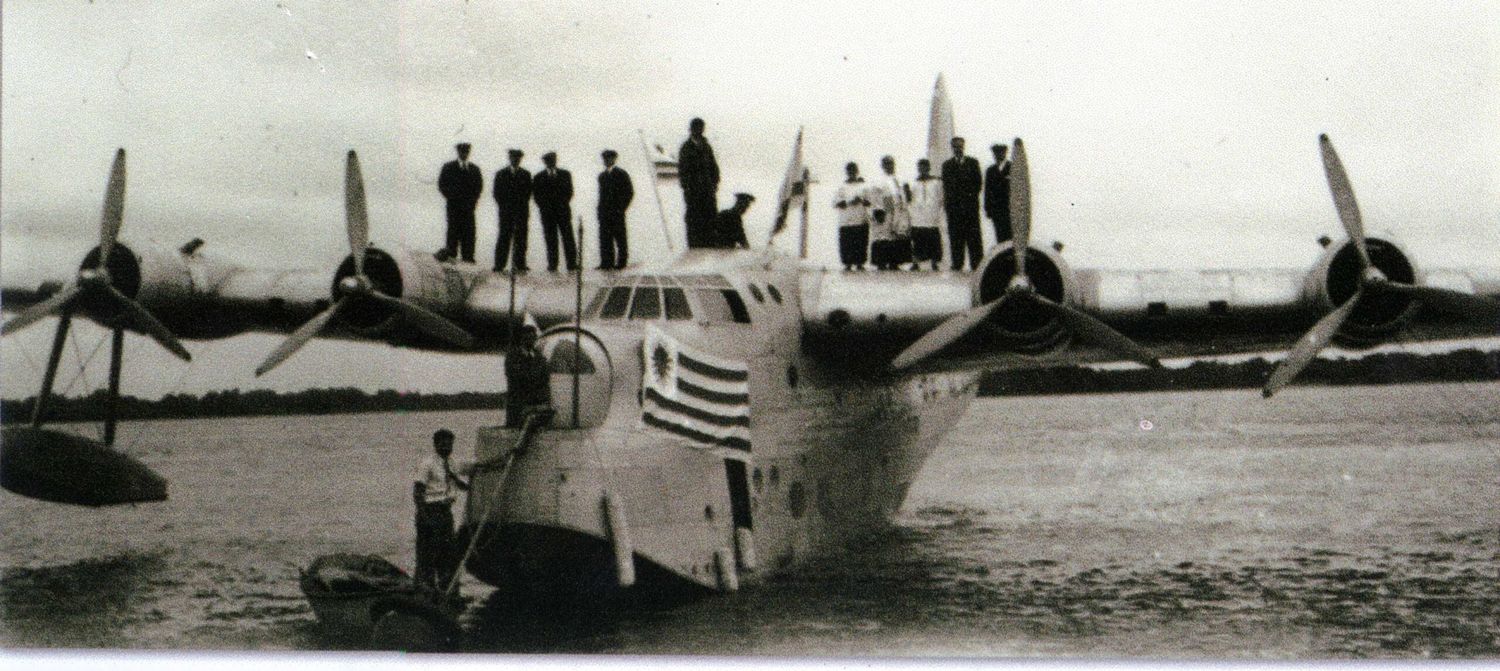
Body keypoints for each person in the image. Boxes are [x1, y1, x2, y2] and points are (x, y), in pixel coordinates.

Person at [413, 428, 469, 595]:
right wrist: (424, 517)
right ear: (435, 445)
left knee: (449, 550)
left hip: (445, 511)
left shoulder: (451, 462)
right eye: (443, 445)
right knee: (427, 551)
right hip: (429, 510)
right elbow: (417, 492)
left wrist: (471, 487)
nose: (447, 448)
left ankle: (447, 588)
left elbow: (457, 479)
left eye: (450, 445)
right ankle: (425, 587)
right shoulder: (427, 464)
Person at [941, 137, 983, 271]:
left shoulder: (973, 163)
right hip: (954, 209)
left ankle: (976, 264)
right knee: (956, 237)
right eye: (955, 147)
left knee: (974, 237)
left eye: (960, 146)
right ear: (952, 148)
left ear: (963, 147)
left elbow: (978, 184)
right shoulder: (947, 165)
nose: (958, 149)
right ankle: (957, 263)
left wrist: (969, 199)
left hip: (970, 207)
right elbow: (947, 187)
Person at [678, 117, 721, 248]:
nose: (699, 130)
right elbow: (683, 170)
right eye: (696, 128)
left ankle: (710, 245)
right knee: (694, 218)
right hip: (693, 191)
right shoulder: (686, 148)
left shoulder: (706, 146)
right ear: (691, 129)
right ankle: (694, 247)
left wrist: (714, 184)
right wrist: (687, 188)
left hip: (708, 190)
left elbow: (714, 167)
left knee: (710, 218)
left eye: (701, 128)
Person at [532, 152, 578, 272]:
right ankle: (552, 264)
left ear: (555, 160)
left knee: (568, 237)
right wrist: (545, 207)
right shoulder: (538, 177)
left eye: (552, 160)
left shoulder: (565, 174)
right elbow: (537, 196)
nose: (551, 162)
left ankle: (572, 264)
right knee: (550, 239)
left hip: (563, 212)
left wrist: (561, 204)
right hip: (547, 214)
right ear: (545, 162)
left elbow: (569, 192)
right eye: (548, 161)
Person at [438, 143, 483, 264]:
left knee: (469, 234)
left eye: (466, 152)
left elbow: (479, 188)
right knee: (453, 233)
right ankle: (450, 259)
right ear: (458, 152)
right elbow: (442, 185)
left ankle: (468, 260)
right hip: (454, 208)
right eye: (462, 152)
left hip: (468, 209)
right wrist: (453, 198)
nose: (464, 154)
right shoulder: (448, 167)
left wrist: (472, 202)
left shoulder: (474, 170)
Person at [869, 155, 913, 270]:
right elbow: (875, 196)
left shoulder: (899, 179)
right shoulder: (878, 181)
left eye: (891, 163)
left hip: (898, 211)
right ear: (883, 166)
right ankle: (881, 262)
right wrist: (878, 210)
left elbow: (905, 196)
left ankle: (895, 262)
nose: (890, 166)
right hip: (885, 210)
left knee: (897, 236)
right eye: (887, 164)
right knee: (883, 236)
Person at [492, 149, 532, 273]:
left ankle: (520, 264)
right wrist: (505, 206)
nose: (515, 160)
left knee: (521, 238)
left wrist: (520, 206)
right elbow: (497, 193)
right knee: (504, 237)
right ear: (510, 158)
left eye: (518, 158)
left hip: (521, 212)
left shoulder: (526, 174)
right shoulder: (501, 174)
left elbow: (528, 193)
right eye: (513, 158)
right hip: (506, 212)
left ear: (520, 159)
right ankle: (499, 264)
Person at [504, 325, 551, 428]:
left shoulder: (540, 358)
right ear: (522, 339)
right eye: (527, 338)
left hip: (536, 405)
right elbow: (516, 379)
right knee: (516, 429)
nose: (530, 341)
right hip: (518, 406)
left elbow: (545, 380)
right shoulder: (513, 357)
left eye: (532, 338)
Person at [596, 149, 634, 270]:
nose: (606, 161)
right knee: (605, 238)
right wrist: (599, 210)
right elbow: (601, 195)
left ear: (614, 159)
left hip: (617, 213)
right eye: (605, 159)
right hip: (604, 213)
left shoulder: (621, 174)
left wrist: (621, 208)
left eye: (609, 159)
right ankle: (606, 262)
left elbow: (629, 192)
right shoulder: (602, 176)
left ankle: (621, 262)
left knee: (620, 238)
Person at [833, 162, 870, 271]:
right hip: (846, 221)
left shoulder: (863, 186)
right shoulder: (841, 187)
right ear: (847, 172)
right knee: (846, 243)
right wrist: (850, 202)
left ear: (857, 172)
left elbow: (869, 202)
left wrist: (862, 201)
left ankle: (860, 263)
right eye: (850, 171)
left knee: (861, 242)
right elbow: (837, 203)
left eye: (854, 170)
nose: (852, 173)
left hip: (861, 219)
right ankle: (847, 264)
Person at [909, 159, 944, 270]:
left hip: (932, 214)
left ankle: (934, 262)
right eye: (920, 168)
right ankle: (916, 262)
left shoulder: (936, 182)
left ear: (928, 168)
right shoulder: (914, 183)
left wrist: (938, 211)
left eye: (924, 167)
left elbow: (941, 197)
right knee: (917, 238)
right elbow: (910, 199)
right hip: (918, 216)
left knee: (933, 238)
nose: (922, 170)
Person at [984, 143, 1012, 245]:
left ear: (1005, 153)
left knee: (1011, 237)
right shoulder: (990, 171)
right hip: (997, 211)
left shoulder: (1012, 168)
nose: (998, 155)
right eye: (996, 153)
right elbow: (987, 191)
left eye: (1001, 152)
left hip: (1010, 210)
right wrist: (988, 209)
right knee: (1000, 238)